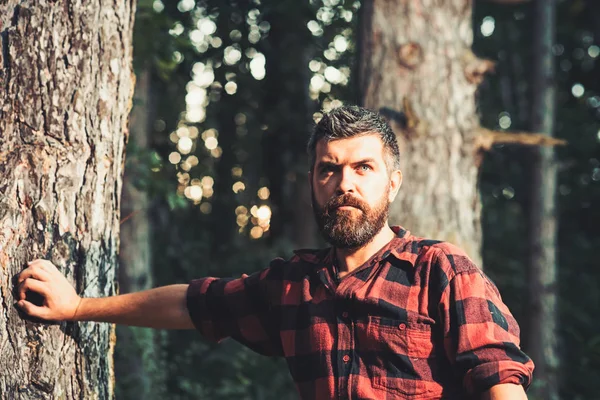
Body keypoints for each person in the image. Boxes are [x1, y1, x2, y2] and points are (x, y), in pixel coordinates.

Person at [17, 106, 533, 399]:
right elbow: (194, 304)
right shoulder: (292, 286)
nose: (343, 183)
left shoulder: (440, 270)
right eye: (328, 169)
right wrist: (79, 307)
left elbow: (500, 380)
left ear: (392, 184)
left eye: (363, 168)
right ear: (312, 180)